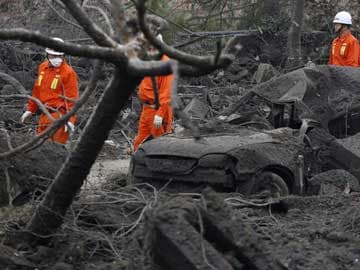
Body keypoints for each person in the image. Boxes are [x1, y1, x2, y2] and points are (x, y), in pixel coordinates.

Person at [20, 37, 79, 144]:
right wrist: (30, 109)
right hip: (44, 115)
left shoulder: (69, 73)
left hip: (59, 117)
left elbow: (72, 99)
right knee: (40, 149)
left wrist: (70, 120)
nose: (57, 58)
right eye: (54, 56)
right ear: (48, 54)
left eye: (59, 56)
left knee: (55, 151)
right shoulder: (43, 68)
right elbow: (37, 90)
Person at [133, 34, 174, 151]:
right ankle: (139, 167)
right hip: (147, 109)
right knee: (139, 143)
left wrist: (160, 114)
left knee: (161, 145)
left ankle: (164, 168)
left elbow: (167, 92)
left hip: (158, 110)